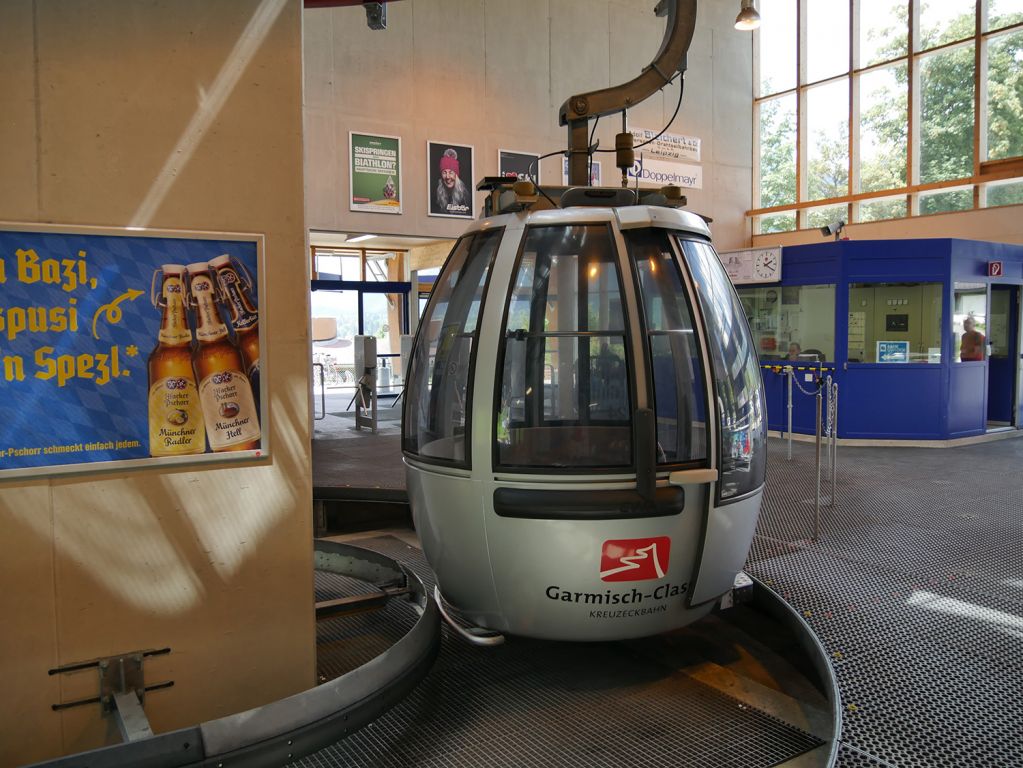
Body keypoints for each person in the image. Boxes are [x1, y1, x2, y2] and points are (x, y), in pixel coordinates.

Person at [435, 148, 471, 215]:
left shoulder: (465, 197)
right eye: (444, 172)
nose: (447, 177)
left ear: (456, 175)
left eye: (451, 172)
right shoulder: (437, 195)